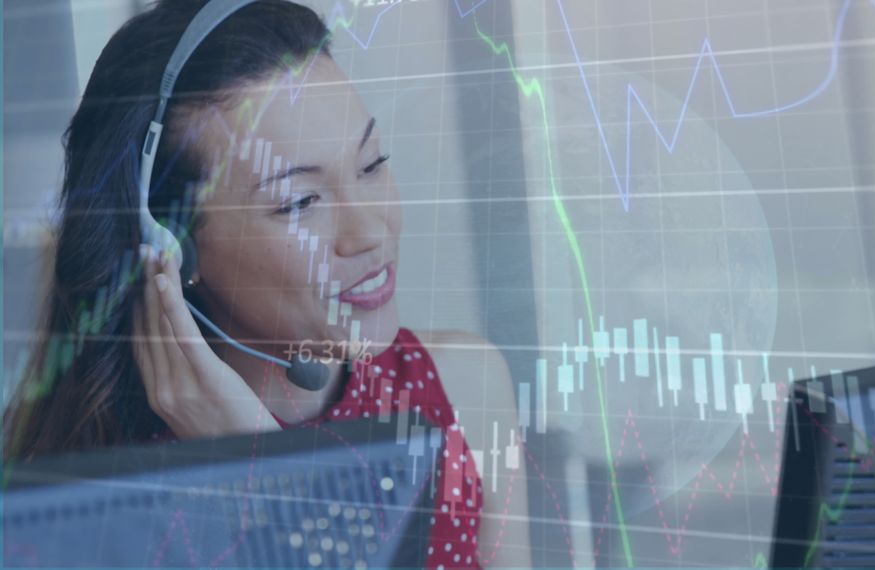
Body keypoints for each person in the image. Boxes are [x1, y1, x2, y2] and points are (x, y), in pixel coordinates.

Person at [2, 0, 530, 567]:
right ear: (175, 250)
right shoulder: (93, 507)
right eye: (300, 202)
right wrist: (255, 473)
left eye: (373, 164)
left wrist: (260, 455)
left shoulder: (464, 385)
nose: (371, 231)